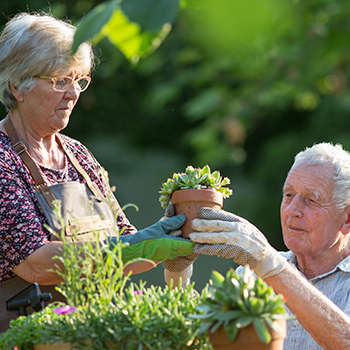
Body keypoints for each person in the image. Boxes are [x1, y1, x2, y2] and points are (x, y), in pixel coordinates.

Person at [0, 12, 198, 332]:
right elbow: (36, 263)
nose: (74, 93)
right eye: (60, 80)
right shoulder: (3, 160)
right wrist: (138, 246)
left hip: (94, 332)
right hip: (27, 336)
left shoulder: (78, 155)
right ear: (17, 87)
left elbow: (125, 247)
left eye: (79, 80)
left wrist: (172, 235)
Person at [189, 142, 350, 349]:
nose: (292, 210)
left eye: (311, 200)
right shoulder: (251, 275)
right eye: (289, 195)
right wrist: (179, 272)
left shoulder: (264, 262)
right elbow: (200, 340)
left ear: (347, 219)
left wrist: (270, 264)